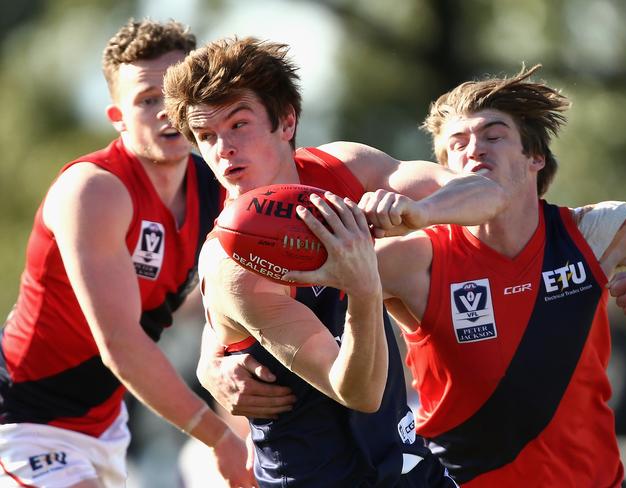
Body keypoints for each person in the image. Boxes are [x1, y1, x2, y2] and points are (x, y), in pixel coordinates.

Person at [162, 36, 507, 487]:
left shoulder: (343, 169)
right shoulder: (234, 263)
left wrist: (422, 212)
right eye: (206, 137)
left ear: (286, 122)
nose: (222, 148)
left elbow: (489, 196)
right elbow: (358, 392)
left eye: (239, 124)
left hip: (406, 464)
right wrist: (363, 285)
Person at [360, 64, 626, 486]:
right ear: (443, 171)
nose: (474, 150)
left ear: (535, 157)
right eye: (457, 145)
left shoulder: (595, 232)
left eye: (494, 136)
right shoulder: (416, 259)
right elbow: (281, 289)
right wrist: (227, 359)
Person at [0, 19, 255, 488]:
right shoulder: (93, 191)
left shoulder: (217, 187)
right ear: (117, 116)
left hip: (107, 424)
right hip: (24, 418)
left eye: (175, 95)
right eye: (147, 99)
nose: (165, 111)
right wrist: (220, 437)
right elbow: (120, 342)